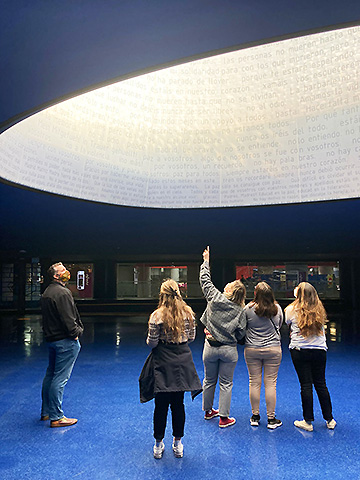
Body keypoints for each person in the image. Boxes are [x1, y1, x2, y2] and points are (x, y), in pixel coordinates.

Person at [139, 279, 202, 459]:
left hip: (162, 360)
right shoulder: (188, 312)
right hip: (182, 358)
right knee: (178, 403)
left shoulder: (157, 315)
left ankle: (158, 444)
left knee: (160, 405)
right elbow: (191, 337)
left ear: (162, 294)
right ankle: (178, 443)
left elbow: (152, 342)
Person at [199, 246, 246, 428]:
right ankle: (224, 418)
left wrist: (206, 261)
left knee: (209, 379)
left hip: (209, 347)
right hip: (229, 350)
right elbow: (241, 332)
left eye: (231, 284)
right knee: (226, 383)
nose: (227, 284)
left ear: (231, 291)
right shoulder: (240, 310)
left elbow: (205, 280)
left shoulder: (215, 298)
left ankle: (208, 411)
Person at [285, 282, 336, 431]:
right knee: (321, 384)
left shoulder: (290, 310)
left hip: (299, 350)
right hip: (319, 350)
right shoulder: (320, 309)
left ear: (298, 294)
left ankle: (307, 421)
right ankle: (329, 419)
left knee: (305, 385)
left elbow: (287, 323)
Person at [40, 262, 84, 427]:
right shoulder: (63, 293)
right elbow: (68, 318)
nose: (67, 272)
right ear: (56, 276)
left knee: (50, 375)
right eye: (63, 270)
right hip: (65, 341)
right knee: (60, 378)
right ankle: (57, 417)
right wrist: (76, 334)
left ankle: (46, 412)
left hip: (52, 340)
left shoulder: (47, 292)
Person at [243, 282, 283, 429]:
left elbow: (243, 327)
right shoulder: (277, 309)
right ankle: (271, 419)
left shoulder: (248, 309)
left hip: (252, 349)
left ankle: (255, 416)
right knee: (271, 383)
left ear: (256, 294)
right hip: (273, 349)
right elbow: (279, 325)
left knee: (254, 382)